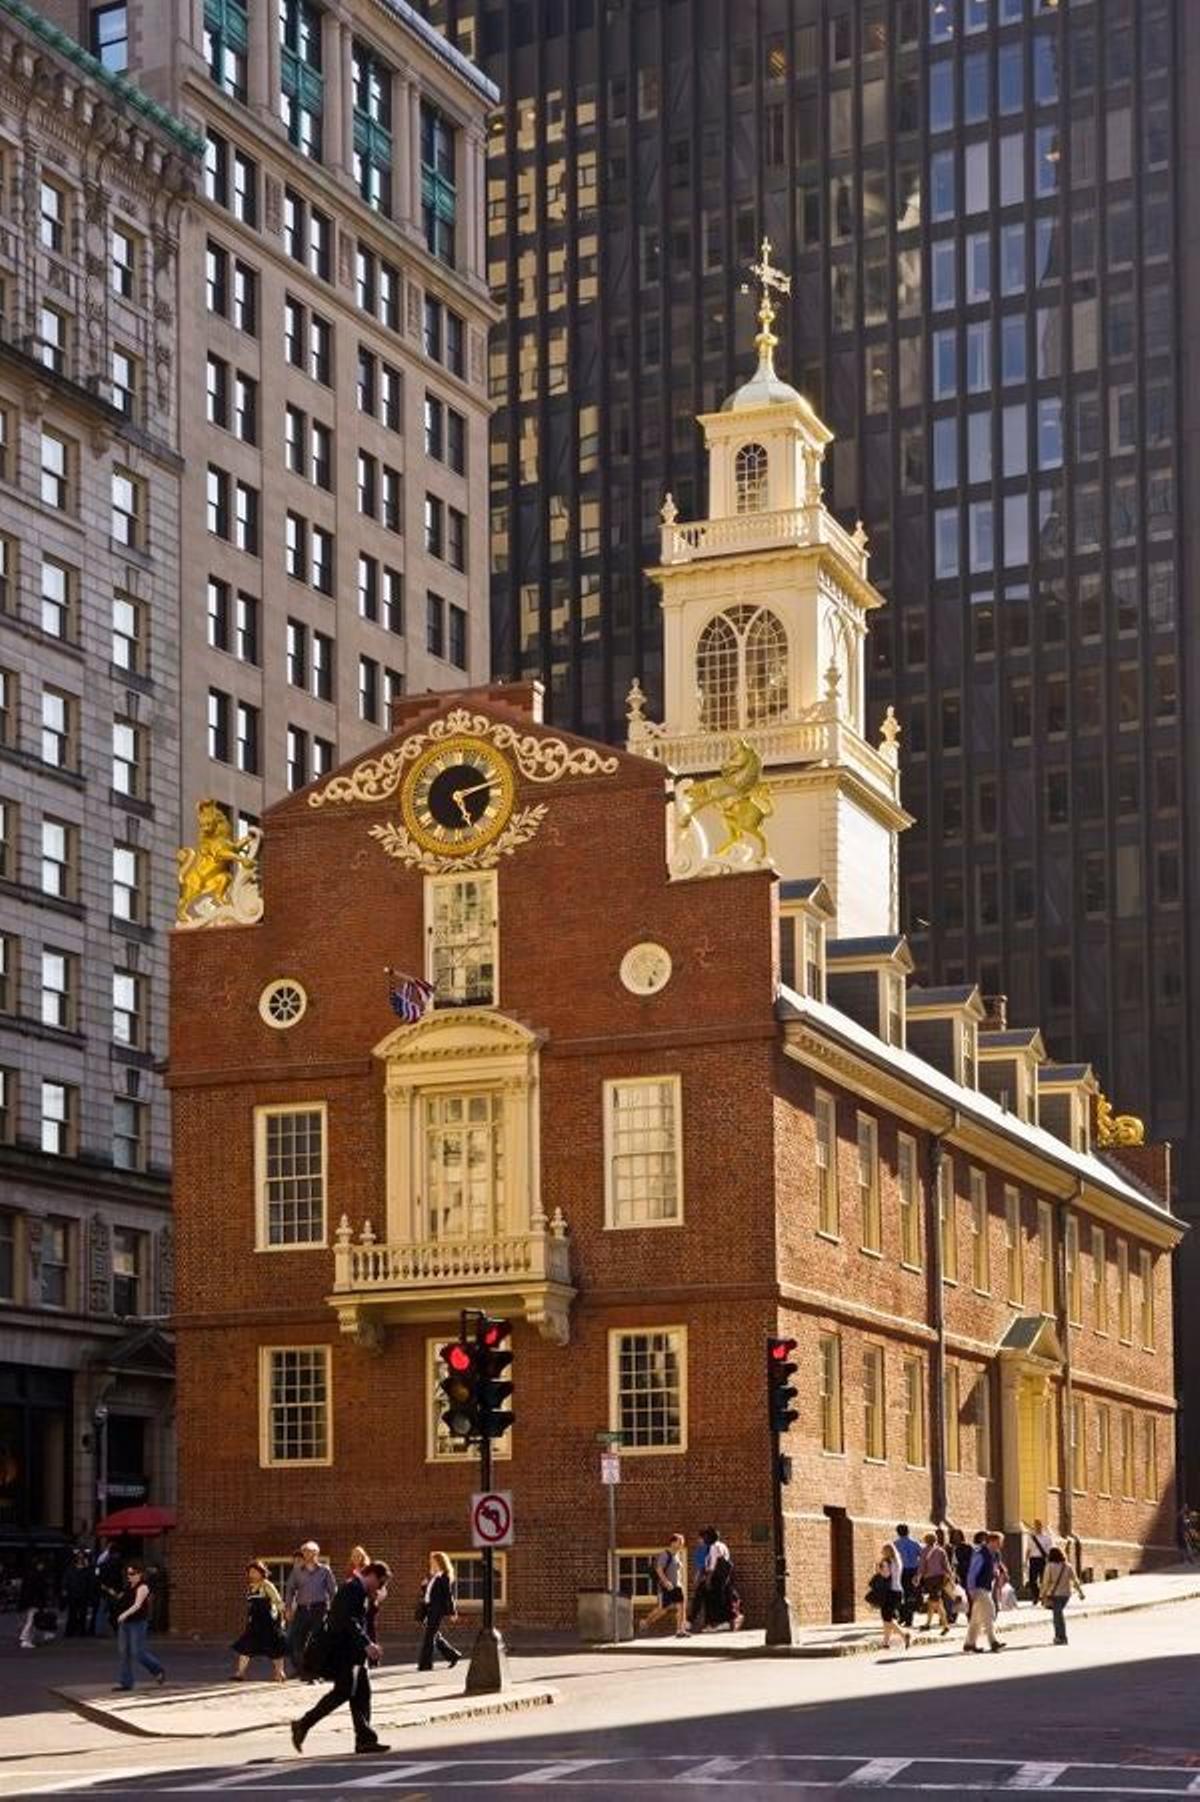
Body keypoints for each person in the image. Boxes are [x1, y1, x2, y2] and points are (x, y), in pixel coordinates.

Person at [291, 1558, 393, 1756]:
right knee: (344, 1692)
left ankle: (365, 1740)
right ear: (371, 1575)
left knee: (362, 1693)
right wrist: (367, 1644)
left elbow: (364, 1620)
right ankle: (303, 1724)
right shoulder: (351, 1589)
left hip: (353, 1653)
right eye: (380, 1583)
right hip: (342, 1651)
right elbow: (348, 1620)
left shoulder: (361, 1591)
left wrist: (375, 1602)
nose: (380, 1587)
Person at [284, 1542, 336, 1680]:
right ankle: (302, 1670)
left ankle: (317, 1672)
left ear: (316, 1553)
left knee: (316, 1641)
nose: (307, 1554)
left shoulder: (325, 1570)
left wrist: (335, 1610)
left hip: (319, 1609)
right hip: (302, 1610)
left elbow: (333, 1591)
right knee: (295, 1641)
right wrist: (288, 1608)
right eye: (305, 1551)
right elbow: (289, 1590)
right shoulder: (296, 1571)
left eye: (310, 1551)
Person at [114, 1560, 166, 1691]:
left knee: (138, 1652)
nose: (129, 1576)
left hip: (138, 1623)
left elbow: (137, 1605)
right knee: (124, 1653)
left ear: (140, 1574)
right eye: (128, 1574)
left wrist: (124, 1614)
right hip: (125, 1624)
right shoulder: (128, 1587)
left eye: (132, 1573)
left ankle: (158, 1669)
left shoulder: (143, 1587)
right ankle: (126, 1682)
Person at [232, 1561, 287, 1682]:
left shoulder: (267, 1585)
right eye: (250, 1572)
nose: (252, 1574)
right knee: (246, 1646)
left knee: (274, 1647)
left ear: (261, 1572)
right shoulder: (250, 1587)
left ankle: (280, 1673)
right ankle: (239, 1673)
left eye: (254, 1571)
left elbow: (278, 1601)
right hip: (254, 1623)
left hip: (268, 1622)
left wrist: (282, 1619)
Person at [416, 1551, 460, 1671]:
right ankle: (453, 1655)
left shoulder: (443, 1576)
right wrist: (424, 1586)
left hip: (437, 1610)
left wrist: (452, 1611)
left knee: (429, 1637)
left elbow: (448, 1595)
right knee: (434, 1636)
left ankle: (425, 1665)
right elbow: (429, 1594)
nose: (431, 1563)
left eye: (433, 1561)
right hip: (428, 1609)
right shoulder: (434, 1576)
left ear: (439, 1562)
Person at [963, 1532, 1005, 1653]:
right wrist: (970, 1589)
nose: (1000, 1545)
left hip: (987, 1587)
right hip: (978, 1588)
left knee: (976, 1618)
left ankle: (969, 1643)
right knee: (990, 1611)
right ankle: (993, 1642)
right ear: (991, 1541)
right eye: (998, 1542)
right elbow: (972, 1572)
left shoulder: (995, 1554)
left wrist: (995, 1572)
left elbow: (995, 1568)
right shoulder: (980, 1553)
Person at [640, 1534, 688, 1638]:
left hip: (677, 1586)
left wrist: (680, 1583)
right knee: (662, 1609)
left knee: (681, 1606)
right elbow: (659, 1569)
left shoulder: (677, 1555)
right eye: (680, 1542)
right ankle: (645, 1622)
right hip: (667, 1586)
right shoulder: (665, 1554)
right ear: (673, 1542)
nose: (682, 1544)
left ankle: (680, 1630)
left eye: (682, 1542)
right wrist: (666, 1582)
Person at [697, 1528, 743, 1631]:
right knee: (724, 1599)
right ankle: (725, 1622)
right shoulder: (723, 1546)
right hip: (725, 1577)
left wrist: (708, 1579)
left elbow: (713, 1565)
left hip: (717, 1578)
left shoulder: (713, 1547)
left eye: (704, 1537)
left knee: (714, 1601)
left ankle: (714, 1624)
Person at [1039, 1545, 1085, 1645]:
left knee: (1057, 1617)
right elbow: (1075, 1580)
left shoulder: (1050, 1566)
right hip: (1066, 1595)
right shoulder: (1068, 1566)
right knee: (1058, 1615)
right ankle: (1060, 1637)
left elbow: (1045, 1582)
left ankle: (1061, 1637)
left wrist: (1042, 1595)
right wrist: (1081, 1593)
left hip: (1055, 1594)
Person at [875, 1543, 911, 1652]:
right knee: (888, 1618)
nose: (882, 1552)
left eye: (883, 1551)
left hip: (889, 1592)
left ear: (887, 1551)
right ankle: (885, 1643)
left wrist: (878, 1568)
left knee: (887, 1618)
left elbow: (885, 1575)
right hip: (899, 1591)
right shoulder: (898, 1561)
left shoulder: (886, 1562)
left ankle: (904, 1634)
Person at [916, 1532, 951, 1635]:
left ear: (926, 1540)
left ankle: (945, 1625)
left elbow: (922, 1566)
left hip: (930, 1579)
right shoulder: (941, 1551)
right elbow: (946, 1565)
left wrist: (918, 1577)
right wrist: (951, 1576)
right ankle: (928, 1623)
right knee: (932, 1601)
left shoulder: (924, 1551)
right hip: (940, 1578)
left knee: (936, 1602)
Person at [17, 1558, 52, 1650]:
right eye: (41, 1565)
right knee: (31, 1620)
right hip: (34, 1601)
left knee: (31, 1620)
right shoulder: (36, 1576)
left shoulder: (30, 1575)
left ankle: (27, 1638)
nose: (42, 1566)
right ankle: (25, 1638)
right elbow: (38, 1591)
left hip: (30, 1601)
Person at [893, 1525, 922, 1627]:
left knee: (900, 1594)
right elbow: (922, 1557)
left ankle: (902, 1615)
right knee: (910, 1595)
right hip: (913, 1571)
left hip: (900, 1571)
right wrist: (919, 1571)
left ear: (898, 1532)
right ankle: (909, 1618)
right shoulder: (915, 1543)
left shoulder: (895, 1544)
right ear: (908, 1531)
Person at [63, 1549, 94, 1638]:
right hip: (73, 1594)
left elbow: (90, 1582)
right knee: (72, 1614)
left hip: (83, 1594)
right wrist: (65, 1589)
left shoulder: (87, 1570)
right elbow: (66, 1580)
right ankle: (70, 1631)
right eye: (79, 1557)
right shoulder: (71, 1568)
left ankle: (81, 1631)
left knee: (82, 1614)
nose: (81, 1559)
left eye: (82, 1557)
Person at [1027, 1518, 1054, 1601]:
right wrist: (1026, 1560)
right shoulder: (1031, 1537)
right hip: (1033, 1559)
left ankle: (1043, 1596)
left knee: (1044, 1579)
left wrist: (1049, 1560)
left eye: (1039, 1525)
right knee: (1032, 1580)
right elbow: (1029, 1549)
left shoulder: (1047, 1538)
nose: (1037, 1527)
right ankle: (1036, 1595)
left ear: (1042, 1526)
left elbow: (1050, 1550)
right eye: (1035, 1525)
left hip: (1042, 1559)